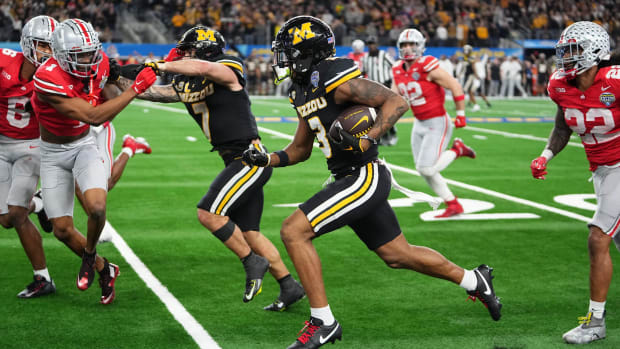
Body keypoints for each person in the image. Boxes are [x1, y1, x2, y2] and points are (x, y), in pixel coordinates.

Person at [243, 16, 502, 349]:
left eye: (289, 52)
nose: (283, 60)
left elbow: (396, 101)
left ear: (308, 52)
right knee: (398, 254)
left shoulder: (333, 76)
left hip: (364, 174)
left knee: (294, 230)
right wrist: (267, 158)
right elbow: (300, 149)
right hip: (347, 176)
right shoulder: (301, 89)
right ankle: (474, 279)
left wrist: (370, 137)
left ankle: (323, 321)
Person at [116, 25, 305, 311]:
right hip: (236, 160)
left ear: (204, 48)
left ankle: (251, 261)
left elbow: (206, 68)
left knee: (208, 213)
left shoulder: (227, 63)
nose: (183, 55)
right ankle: (289, 285)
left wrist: (164, 63)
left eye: (188, 50)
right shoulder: (186, 81)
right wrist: (113, 74)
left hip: (250, 158)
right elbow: (153, 93)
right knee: (250, 233)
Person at [31, 18, 157, 304]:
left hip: (85, 145)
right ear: (62, 55)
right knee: (61, 230)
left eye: (91, 52)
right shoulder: (47, 77)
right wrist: (134, 89)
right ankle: (104, 268)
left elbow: (111, 94)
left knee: (97, 208)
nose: (88, 59)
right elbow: (93, 115)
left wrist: (153, 74)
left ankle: (88, 256)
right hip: (52, 153)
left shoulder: (98, 62)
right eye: (80, 55)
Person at [531, 21, 620, 345]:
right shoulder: (559, 85)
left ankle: (595, 321)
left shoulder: (616, 81)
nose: (566, 56)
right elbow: (563, 127)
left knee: (598, 238)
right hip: (601, 171)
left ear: (595, 51)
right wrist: (545, 156)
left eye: (574, 49)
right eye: (565, 50)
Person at [0, 15, 57, 299]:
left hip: (31, 146)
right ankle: (39, 202)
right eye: (41, 45)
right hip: (1, 144)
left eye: (51, 46)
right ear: (27, 43)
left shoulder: (57, 77)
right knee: (6, 219)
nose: (46, 52)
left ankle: (43, 277)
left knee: (16, 214)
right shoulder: (3, 62)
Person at [392, 28, 476, 218]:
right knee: (423, 169)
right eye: (403, 45)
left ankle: (458, 150)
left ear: (420, 45)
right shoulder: (397, 68)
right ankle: (453, 204)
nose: (407, 48)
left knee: (426, 168)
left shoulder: (427, 65)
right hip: (419, 122)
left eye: (411, 44)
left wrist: (461, 114)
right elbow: (394, 96)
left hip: (437, 121)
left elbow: (454, 85)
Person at [361, 35, 397, 146]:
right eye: (369, 44)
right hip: (373, 88)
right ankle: (382, 136)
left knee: (385, 112)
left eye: (373, 44)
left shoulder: (384, 55)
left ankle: (392, 134)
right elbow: (363, 72)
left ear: (376, 44)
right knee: (376, 114)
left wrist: (393, 84)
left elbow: (395, 66)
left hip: (385, 85)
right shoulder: (365, 58)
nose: (371, 46)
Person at [461, 45, 491, 111]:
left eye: (478, 57)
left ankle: (483, 103)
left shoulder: (480, 63)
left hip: (477, 78)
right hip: (474, 78)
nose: (477, 58)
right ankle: (472, 103)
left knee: (475, 92)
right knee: (470, 91)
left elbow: (484, 58)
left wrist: (486, 51)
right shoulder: (470, 61)